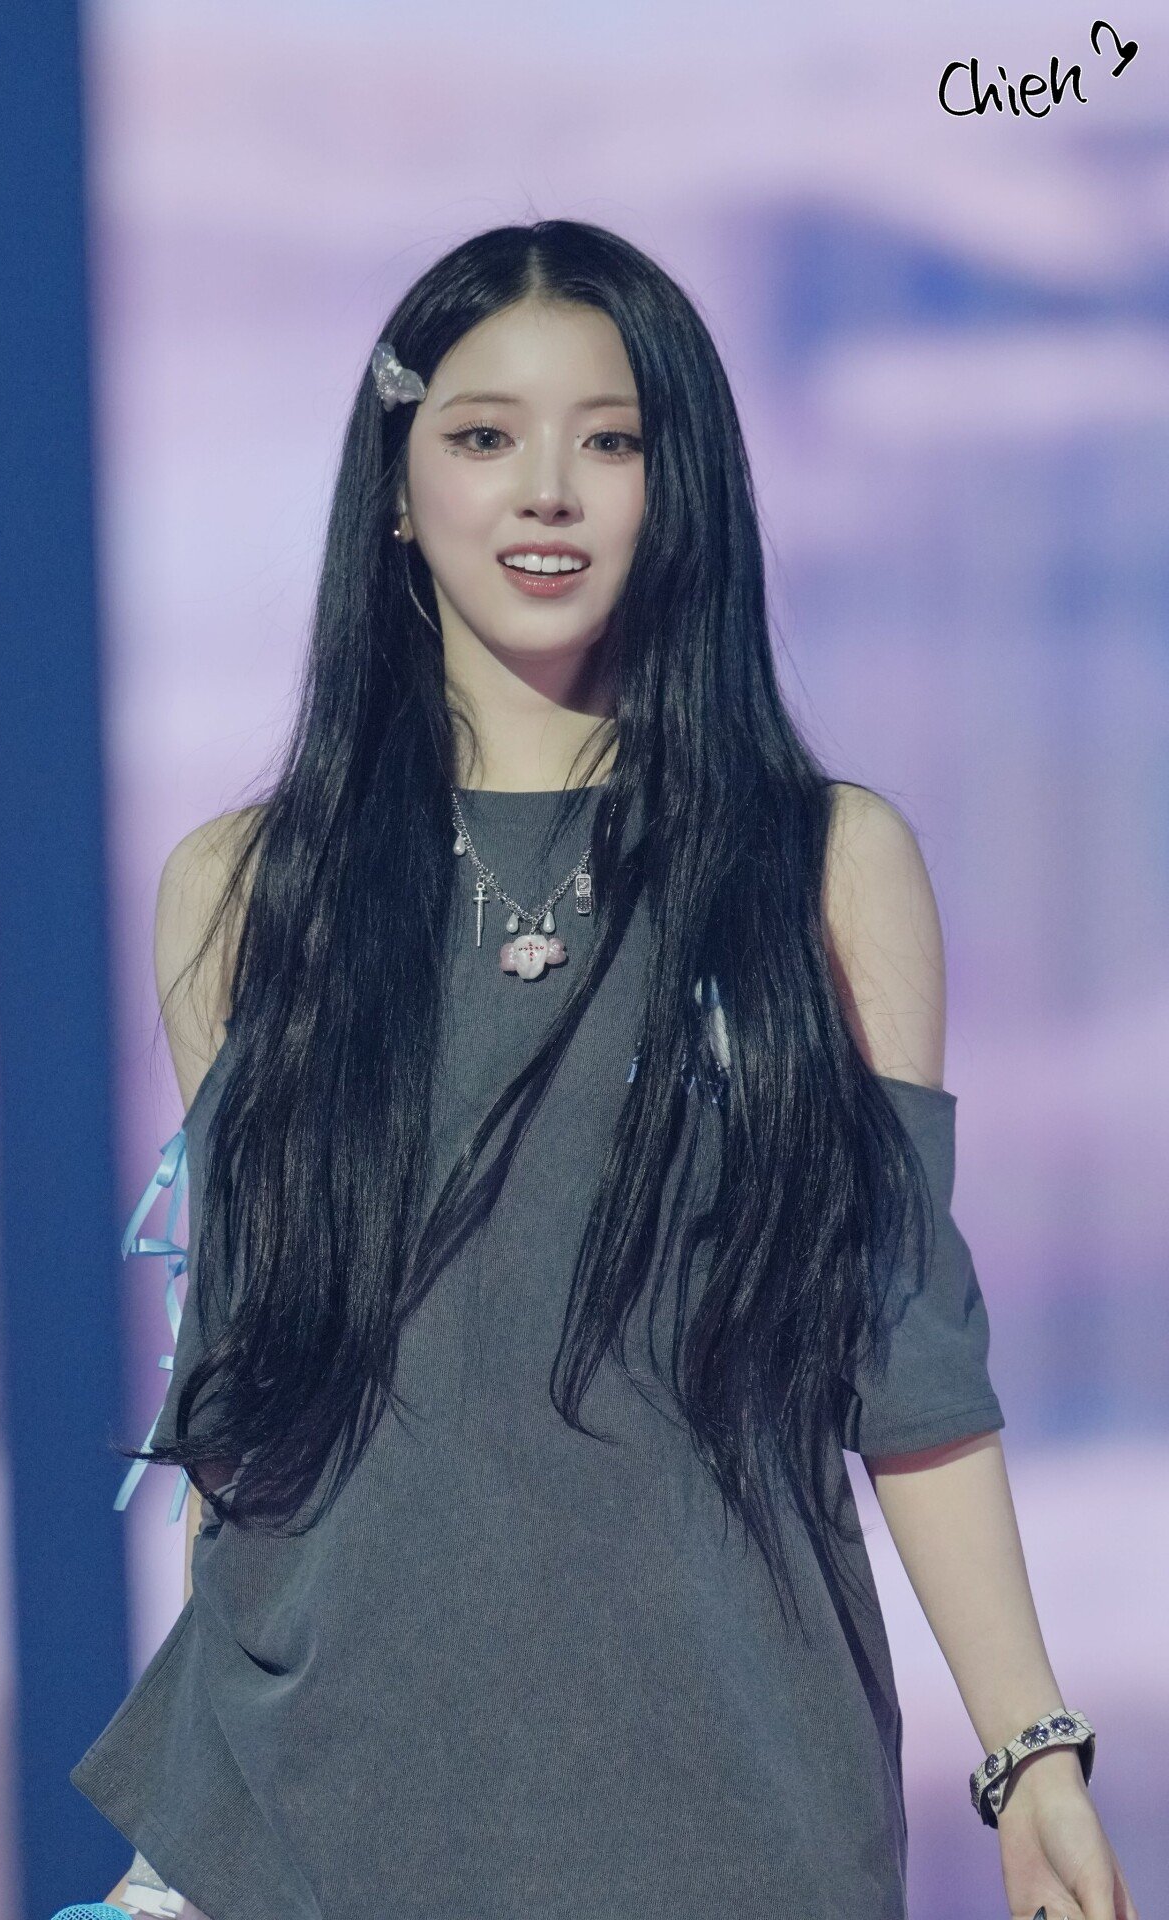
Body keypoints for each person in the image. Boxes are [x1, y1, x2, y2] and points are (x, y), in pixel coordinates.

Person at [68, 220, 1136, 1920]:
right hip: (308, 1827)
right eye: (485, 435)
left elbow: (907, 1358)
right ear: (397, 488)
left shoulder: (822, 867)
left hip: (735, 1811)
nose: (548, 491)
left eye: (611, 440)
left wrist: (1031, 1753)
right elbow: (256, 1396)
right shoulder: (248, 893)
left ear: (676, 485)